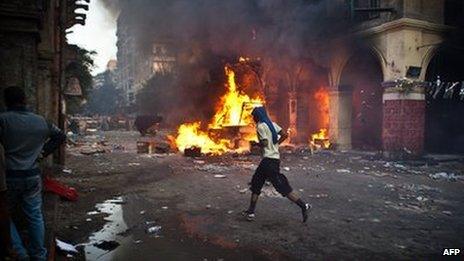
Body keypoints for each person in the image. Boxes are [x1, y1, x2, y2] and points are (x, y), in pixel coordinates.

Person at [0, 86, 66, 261]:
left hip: (9, 176)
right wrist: (43, 153)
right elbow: (60, 136)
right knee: (35, 215)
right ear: (25, 100)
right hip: (32, 175)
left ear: (6, 101)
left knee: (5, 214)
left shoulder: (3, 120)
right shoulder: (41, 121)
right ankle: (39, 255)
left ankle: (20, 253)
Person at [243, 107, 311, 223]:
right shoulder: (272, 124)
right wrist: (275, 144)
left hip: (269, 161)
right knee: (256, 182)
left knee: (281, 187)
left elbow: (264, 142)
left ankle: (304, 206)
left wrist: (256, 144)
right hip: (270, 160)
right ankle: (251, 211)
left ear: (257, 116)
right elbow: (284, 135)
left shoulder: (260, 126)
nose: (253, 118)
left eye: (253, 116)